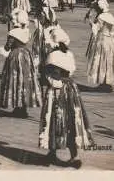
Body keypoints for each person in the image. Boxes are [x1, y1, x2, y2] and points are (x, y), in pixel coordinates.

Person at [38, 28, 94, 169]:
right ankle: (74, 155)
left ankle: (52, 151)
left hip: (58, 90)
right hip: (71, 88)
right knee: (71, 119)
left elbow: (51, 77)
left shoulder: (53, 56)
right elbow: (71, 70)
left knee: (55, 118)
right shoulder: (69, 54)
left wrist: (48, 78)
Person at [0, 27, 42, 118]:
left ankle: (18, 107)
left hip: (16, 56)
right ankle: (24, 107)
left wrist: (5, 48)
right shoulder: (23, 34)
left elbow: (7, 47)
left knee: (16, 80)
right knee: (25, 81)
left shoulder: (13, 34)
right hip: (26, 55)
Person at [86, 6, 114, 92]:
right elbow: (112, 31)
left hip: (102, 40)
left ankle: (103, 83)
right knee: (108, 61)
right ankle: (107, 82)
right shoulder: (109, 15)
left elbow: (95, 29)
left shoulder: (101, 17)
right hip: (110, 41)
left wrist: (90, 20)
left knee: (101, 61)